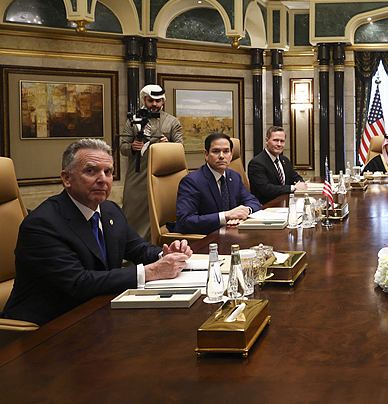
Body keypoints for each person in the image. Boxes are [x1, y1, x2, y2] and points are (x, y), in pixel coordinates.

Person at [1, 139, 191, 326]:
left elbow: (137, 248)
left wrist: (165, 254)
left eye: (108, 172)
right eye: (91, 171)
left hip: (96, 314)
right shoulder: (42, 224)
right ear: (66, 178)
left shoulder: (110, 210)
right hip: (46, 328)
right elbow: (79, 283)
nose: (102, 179)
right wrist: (150, 271)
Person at [120, 84, 183, 239]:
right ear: (144, 100)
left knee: (162, 212)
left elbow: (180, 149)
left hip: (164, 177)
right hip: (138, 175)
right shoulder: (132, 121)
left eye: (158, 101)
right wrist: (132, 147)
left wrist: (168, 145)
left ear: (162, 101)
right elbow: (122, 147)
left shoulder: (172, 122)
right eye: (150, 100)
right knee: (132, 211)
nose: (154, 104)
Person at [175, 133, 261, 234]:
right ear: (206, 155)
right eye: (216, 151)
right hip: (206, 237)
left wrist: (244, 212)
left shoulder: (234, 176)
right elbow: (185, 222)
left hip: (231, 232)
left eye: (226, 151)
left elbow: (253, 202)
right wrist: (226, 216)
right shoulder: (192, 181)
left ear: (231, 154)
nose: (221, 156)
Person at [248, 126, 307, 205]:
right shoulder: (256, 163)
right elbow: (267, 189)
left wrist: (301, 184)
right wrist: (294, 188)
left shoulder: (284, 160)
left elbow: (296, 177)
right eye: (275, 140)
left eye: (282, 141)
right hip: (267, 206)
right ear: (267, 141)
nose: (279, 144)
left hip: (286, 203)